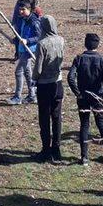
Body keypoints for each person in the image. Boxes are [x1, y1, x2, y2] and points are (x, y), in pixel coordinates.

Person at [67, 33, 103, 165]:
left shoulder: (79, 59)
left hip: (83, 97)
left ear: (85, 43)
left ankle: (84, 157)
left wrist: (78, 93)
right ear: (97, 45)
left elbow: (70, 77)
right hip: (97, 97)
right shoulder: (102, 60)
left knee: (84, 125)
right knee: (101, 123)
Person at [32, 16, 65, 163]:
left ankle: (46, 150)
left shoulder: (42, 44)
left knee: (44, 118)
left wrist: (34, 79)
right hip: (58, 84)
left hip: (45, 85)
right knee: (57, 117)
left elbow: (38, 67)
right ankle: (56, 149)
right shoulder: (61, 40)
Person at [8, 0, 42, 104]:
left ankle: (17, 97)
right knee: (28, 73)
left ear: (29, 9)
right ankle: (32, 95)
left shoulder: (34, 21)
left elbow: (39, 36)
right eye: (20, 9)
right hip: (22, 49)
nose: (21, 11)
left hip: (29, 50)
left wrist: (28, 41)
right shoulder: (23, 19)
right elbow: (21, 34)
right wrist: (15, 40)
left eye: (23, 9)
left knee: (18, 72)